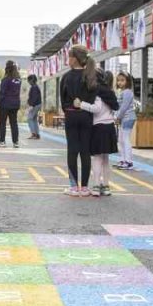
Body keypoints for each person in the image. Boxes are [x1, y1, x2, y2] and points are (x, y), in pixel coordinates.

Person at [60, 46, 115, 196]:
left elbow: (63, 100)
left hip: (71, 115)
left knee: (72, 151)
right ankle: (84, 187)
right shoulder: (91, 76)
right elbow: (95, 96)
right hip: (86, 116)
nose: (68, 59)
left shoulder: (66, 77)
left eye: (69, 57)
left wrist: (69, 109)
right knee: (85, 151)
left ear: (74, 59)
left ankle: (73, 187)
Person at [78, 70, 119, 196]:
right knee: (106, 159)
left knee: (97, 158)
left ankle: (96, 186)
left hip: (99, 127)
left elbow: (96, 109)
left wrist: (81, 104)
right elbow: (114, 108)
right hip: (110, 127)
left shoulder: (97, 92)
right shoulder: (110, 93)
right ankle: (106, 186)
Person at [113, 71, 137, 170]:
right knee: (121, 140)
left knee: (125, 140)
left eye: (122, 80)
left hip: (127, 118)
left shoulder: (127, 92)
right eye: (118, 80)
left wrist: (117, 117)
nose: (120, 83)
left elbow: (124, 107)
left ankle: (128, 161)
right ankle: (123, 160)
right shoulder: (123, 92)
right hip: (124, 118)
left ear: (127, 82)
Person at [0, 60, 22, 147]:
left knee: (2, 123)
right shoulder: (18, 80)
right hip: (15, 104)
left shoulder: (6, 79)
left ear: (7, 68)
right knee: (14, 123)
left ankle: (2, 141)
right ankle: (16, 142)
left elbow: (2, 92)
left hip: (5, 104)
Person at [26, 74, 43, 139]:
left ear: (32, 80)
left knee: (29, 118)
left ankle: (33, 133)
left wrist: (31, 105)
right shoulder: (35, 87)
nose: (28, 82)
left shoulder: (34, 87)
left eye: (29, 80)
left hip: (35, 105)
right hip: (37, 104)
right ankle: (37, 134)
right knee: (34, 119)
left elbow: (34, 97)